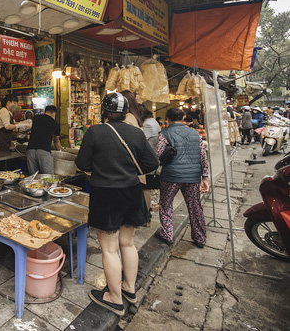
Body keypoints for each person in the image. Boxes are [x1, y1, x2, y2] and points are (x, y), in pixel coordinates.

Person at [75, 93, 159, 316]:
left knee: (109, 249)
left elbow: (81, 162)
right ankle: (129, 288)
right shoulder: (136, 132)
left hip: (106, 195)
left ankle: (114, 297)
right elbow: (152, 163)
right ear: (126, 113)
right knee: (128, 244)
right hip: (132, 192)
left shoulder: (95, 132)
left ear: (104, 111)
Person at [156, 108, 209, 248]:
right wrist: (205, 177)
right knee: (195, 206)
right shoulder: (194, 133)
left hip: (171, 176)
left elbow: (158, 153)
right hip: (192, 176)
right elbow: (203, 156)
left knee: (166, 205)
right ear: (183, 117)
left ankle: (167, 234)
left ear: (167, 119)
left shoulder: (164, 133)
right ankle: (200, 237)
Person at [26, 105, 62, 174]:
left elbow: (27, 129)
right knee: (48, 178)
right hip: (44, 152)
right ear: (54, 113)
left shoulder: (35, 118)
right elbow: (56, 142)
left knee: (33, 178)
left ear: (45, 112)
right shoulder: (55, 124)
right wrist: (60, 152)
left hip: (30, 151)